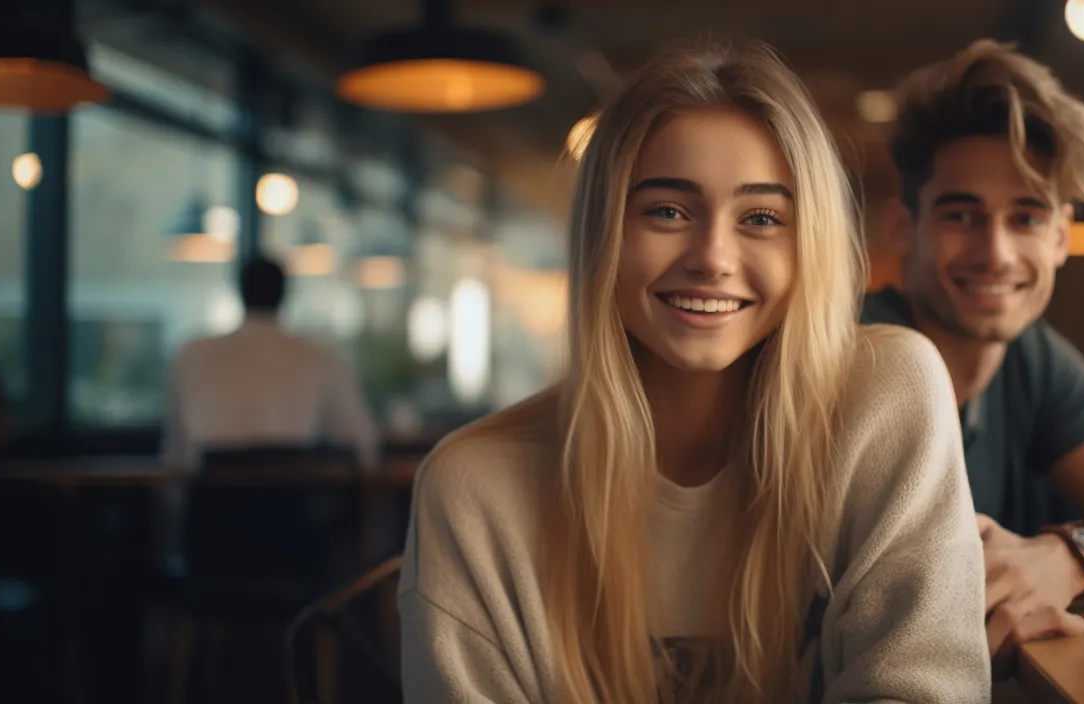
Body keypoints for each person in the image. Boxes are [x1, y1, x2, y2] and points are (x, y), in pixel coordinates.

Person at [400, 41, 990, 704]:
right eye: (667, 212)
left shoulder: (888, 394)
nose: (713, 257)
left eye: (761, 218)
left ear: (809, 248)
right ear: (604, 237)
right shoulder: (474, 489)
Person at [865, 39, 1084, 673]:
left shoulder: (1033, 357)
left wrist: (1072, 558)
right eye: (961, 214)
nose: (995, 252)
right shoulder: (867, 353)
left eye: (1025, 218)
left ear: (1059, 238)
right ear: (902, 229)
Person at [162, 256, 380, 469]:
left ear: (240, 292)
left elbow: (176, 451)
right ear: (285, 294)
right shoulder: (318, 356)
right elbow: (361, 444)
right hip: (293, 500)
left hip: (210, 501)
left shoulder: (192, 355)